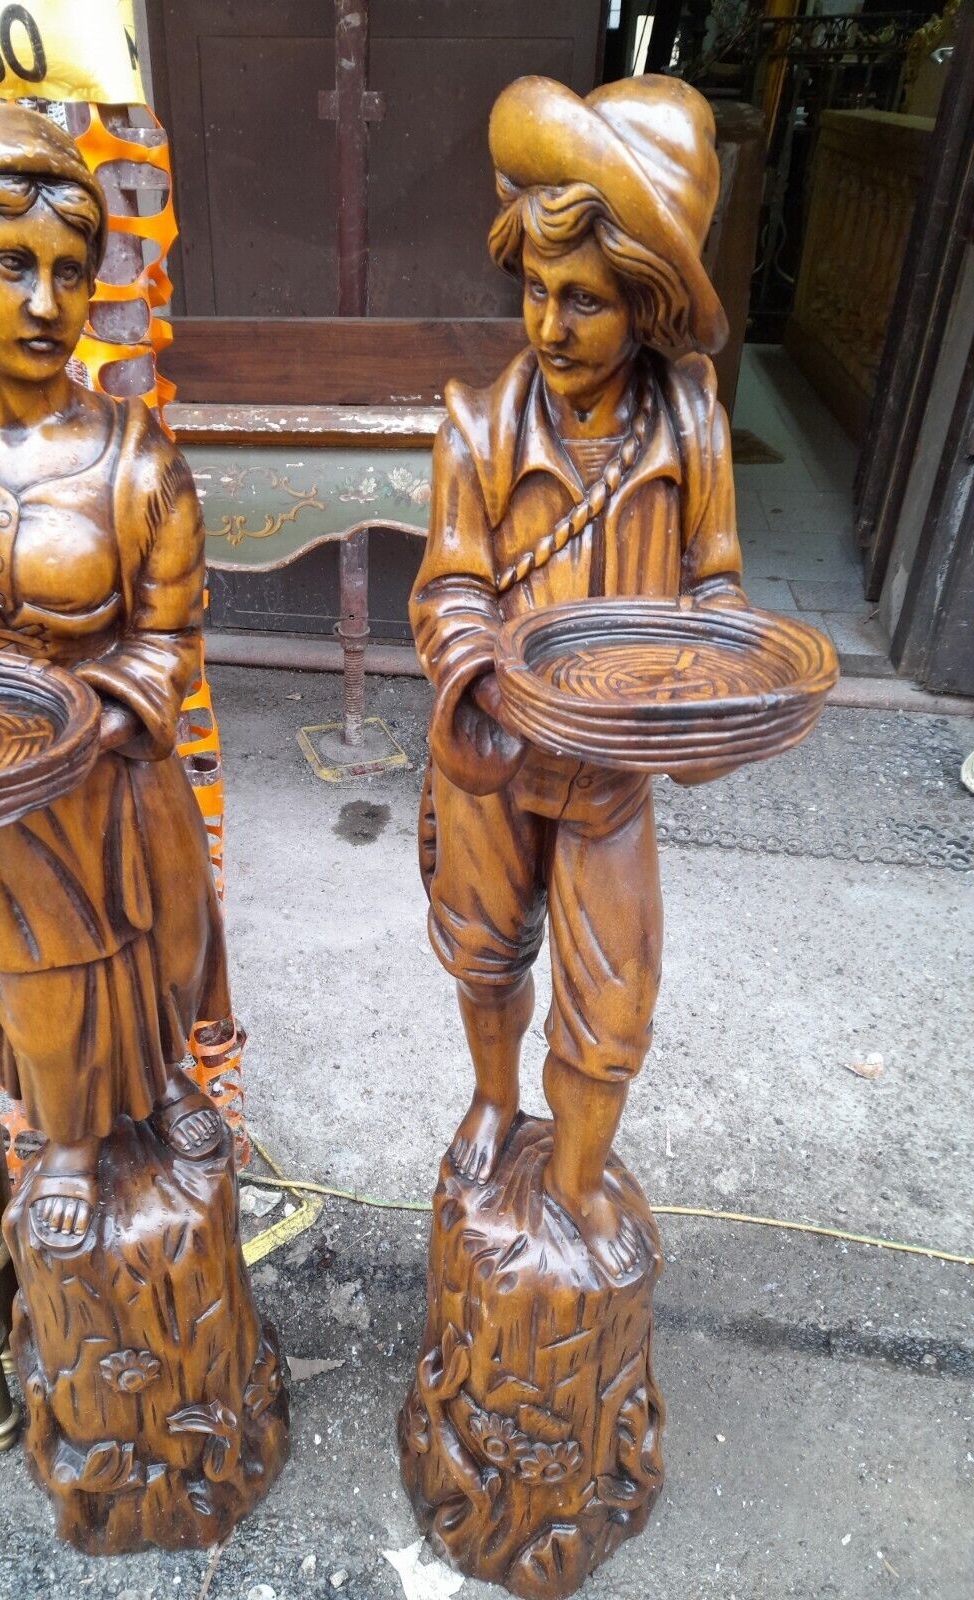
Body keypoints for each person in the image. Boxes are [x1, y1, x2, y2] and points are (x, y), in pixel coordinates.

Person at [0, 104, 230, 1253]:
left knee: (156, 946)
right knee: (33, 969)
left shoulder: (137, 458)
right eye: (10, 265)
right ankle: (66, 1136)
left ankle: (165, 1082)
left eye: (69, 272)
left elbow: (169, 642)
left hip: (115, 775)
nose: (45, 303)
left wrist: (84, 724)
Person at [412, 75, 746, 1278]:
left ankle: (577, 1174)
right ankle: (493, 1097)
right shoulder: (477, 428)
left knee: (613, 996)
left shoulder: (690, 430)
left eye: (588, 301)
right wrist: (480, 682)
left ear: (645, 309)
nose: (550, 327)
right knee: (484, 950)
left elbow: (715, 587)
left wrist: (712, 689)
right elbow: (450, 587)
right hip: (499, 760)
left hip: (613, 772)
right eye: (537, 292)